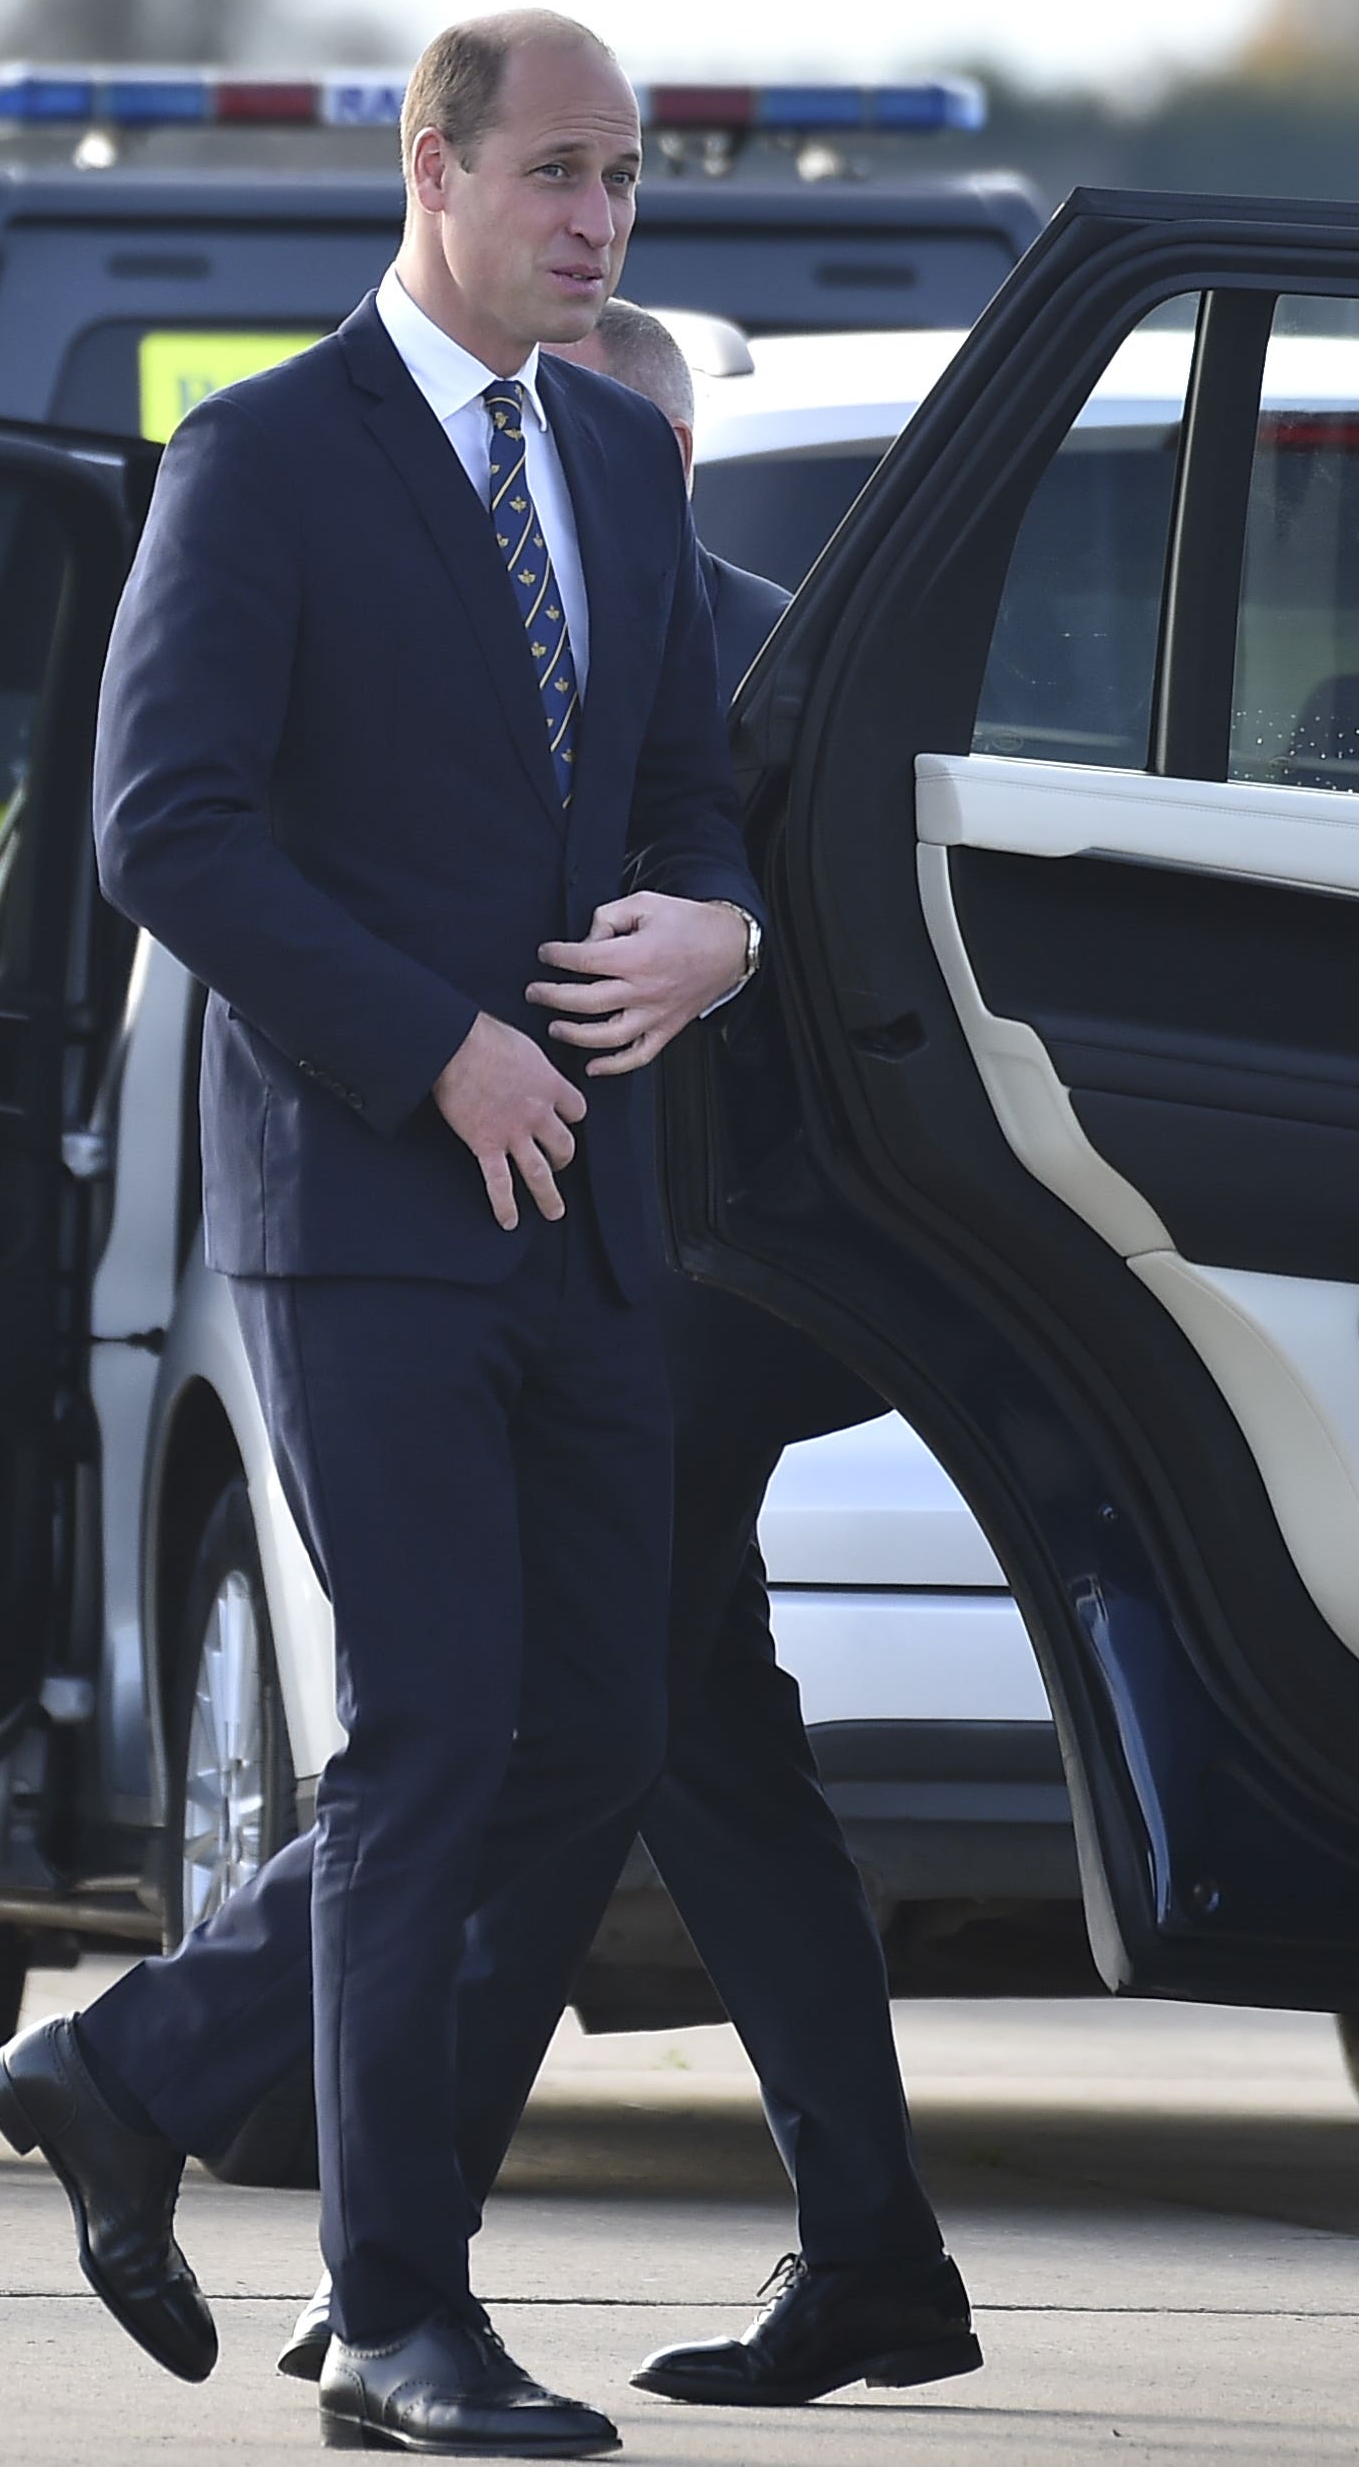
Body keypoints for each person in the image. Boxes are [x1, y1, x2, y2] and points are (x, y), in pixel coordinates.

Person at [0, 12, 765, 2453]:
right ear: (431, 172)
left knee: (596, 1732)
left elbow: (682, 789)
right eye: (556, 175)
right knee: (426, 1732)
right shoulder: (266, 458)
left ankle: (131, 2063)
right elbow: (165, 831)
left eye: (624, 181)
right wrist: (436, 1043)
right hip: (370, 1210)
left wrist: (715, 930)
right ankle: (401, 2315)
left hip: (592, 1214)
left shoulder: (623, 461)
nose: (600, 223)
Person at [259, 297, 980, 2407]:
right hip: (628, 1284)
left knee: (529, 1755)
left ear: (633, 468)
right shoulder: (659, 632)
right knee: (686, 1753)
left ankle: (382, 2247)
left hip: (683, 1303)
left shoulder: (742, 651)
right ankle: (869, 2258)